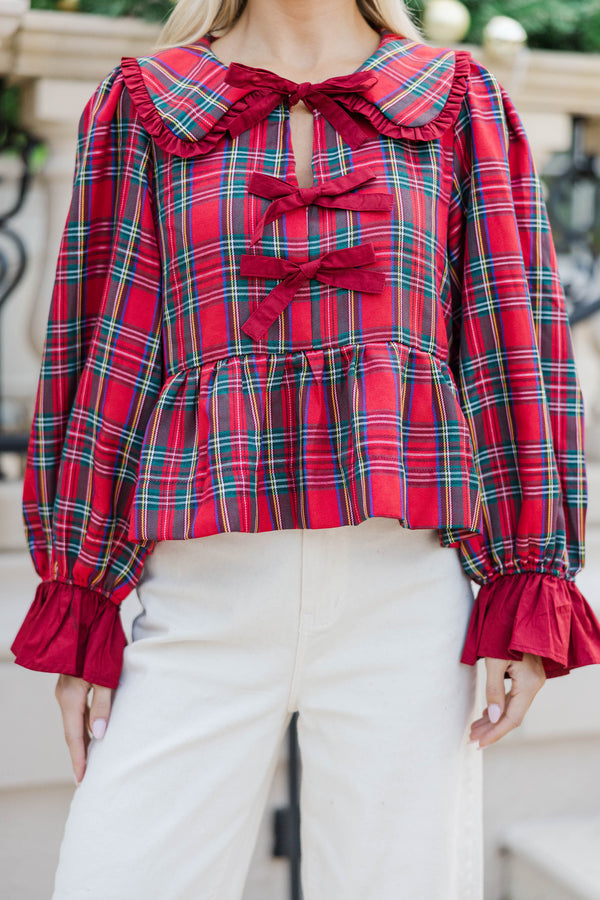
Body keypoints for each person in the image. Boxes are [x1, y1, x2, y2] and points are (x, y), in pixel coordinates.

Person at [10, 0, 600, 897]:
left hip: (408, 603)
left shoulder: (456, 99)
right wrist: (84, 598)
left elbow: (512, 338)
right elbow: (102, 350)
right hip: (202, 597)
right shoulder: (145, 102)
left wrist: (530, 578)